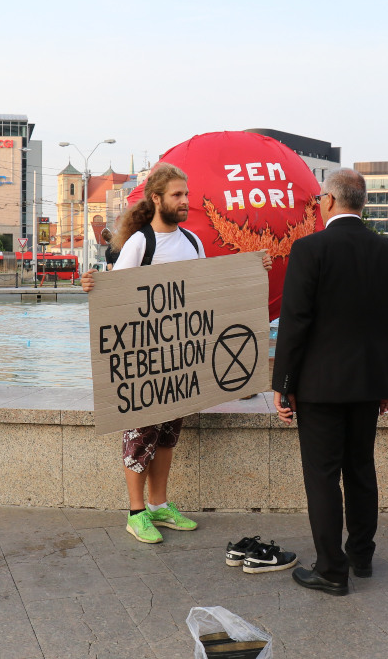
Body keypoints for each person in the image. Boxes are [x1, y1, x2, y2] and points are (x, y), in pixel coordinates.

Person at [81, 162, 272, 544]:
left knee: (168, 434)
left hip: (181, 360)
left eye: (186, 194)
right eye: (178, 195)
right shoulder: (140, 243)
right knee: (139, 435)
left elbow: (207, 290)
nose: (186, 201)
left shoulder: (193, 242)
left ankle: (159, 505)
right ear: (156, 199)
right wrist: (93, 284)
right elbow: (115, 295)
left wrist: (252, 268)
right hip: (144, 359)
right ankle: (136, 513)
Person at [272, 168, 388, 596]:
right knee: (361, 469)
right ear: (361, 203)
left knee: (323, 476)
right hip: (369, 384)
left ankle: (332, 570)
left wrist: (283, 383)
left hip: (319, 386)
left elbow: (295, 322)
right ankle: (362, 557)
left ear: (328, 202)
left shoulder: (309, 249)